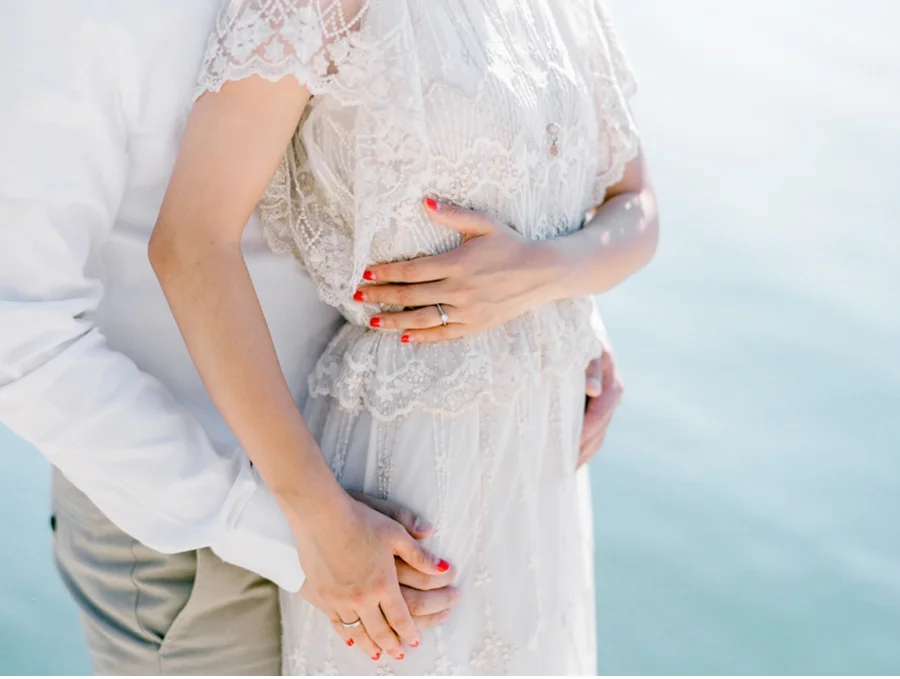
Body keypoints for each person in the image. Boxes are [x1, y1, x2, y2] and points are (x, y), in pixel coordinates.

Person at [0, 0, 624, 675]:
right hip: (190, 536)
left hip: (395, 479)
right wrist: (291, 531)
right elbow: (21, 336)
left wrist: (556, 316)